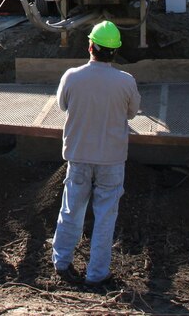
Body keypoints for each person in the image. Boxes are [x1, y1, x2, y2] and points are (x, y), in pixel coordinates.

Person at [51, 21, 141, 287]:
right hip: (112, 160)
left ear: (90, 46)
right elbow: (132, 113)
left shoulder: (72, 76)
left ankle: (61, 262)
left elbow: (61, 105)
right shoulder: (126, 82)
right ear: (115, 52)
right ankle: (97, 274)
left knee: (71, 211)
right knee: (105, 217)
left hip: (79, 156)